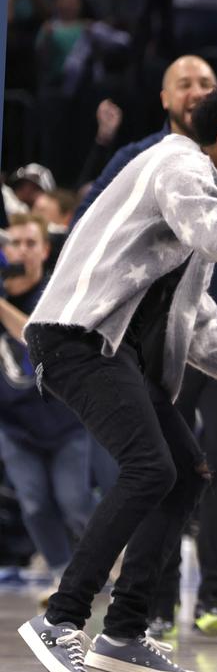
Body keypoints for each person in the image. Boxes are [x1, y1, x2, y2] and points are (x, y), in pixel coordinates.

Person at [15, 83, 217, 672]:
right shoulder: (177, 163)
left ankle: (122, 634)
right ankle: (59, 618)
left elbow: (205, 341)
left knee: (186, 474)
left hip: (115, 357)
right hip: (73, 336)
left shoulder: (195, 229)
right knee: (151, 468)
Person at [0, 214, 94, 600]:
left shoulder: (57, 292)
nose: (21, 251)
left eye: (29, 243)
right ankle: (62, 575)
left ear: (44, 249)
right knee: (34, 505)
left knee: (75, 505)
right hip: (14, 424)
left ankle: (106, 562)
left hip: (63, 419)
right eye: (14, 243)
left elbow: (37, 339)